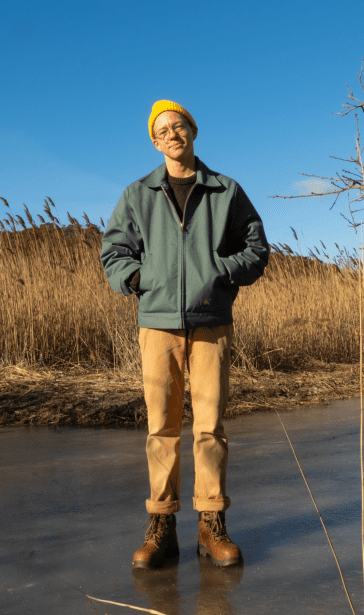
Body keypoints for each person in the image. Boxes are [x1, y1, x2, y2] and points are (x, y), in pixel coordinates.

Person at [100, 100, 269, 569]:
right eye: (162, 130)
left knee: (210, 426)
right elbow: (113, 253)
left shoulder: (225, 190)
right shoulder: (138, 194)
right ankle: (162, 526)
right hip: (158, 325)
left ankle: (212, 524)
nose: (172, 134)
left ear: (194, 131)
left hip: (211, 322)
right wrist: (141, 280)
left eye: (179, 125)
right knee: (162, 429)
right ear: (155, 142)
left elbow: (256, 249)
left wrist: (219, 272)